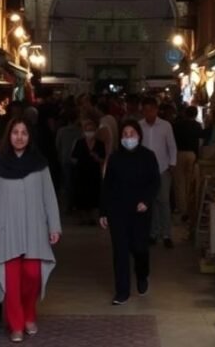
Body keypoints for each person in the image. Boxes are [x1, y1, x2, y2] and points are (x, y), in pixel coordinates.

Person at [0, 119, 62, 343]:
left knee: (32, 275)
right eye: (15, 132)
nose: (19, 137)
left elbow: (49, 197)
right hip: (7, 231)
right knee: (12, 281)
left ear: (30, 137)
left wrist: (54, 226)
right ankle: (16, 324)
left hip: (35, 230)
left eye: (24, 133)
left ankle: (29, 314)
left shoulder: (40, 164)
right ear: (9, 136)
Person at [99, 119, 161, 305]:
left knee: (139, 248)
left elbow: (155, 182)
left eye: (131, 134)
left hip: (140, 210)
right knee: (120, 251)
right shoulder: (115, 158)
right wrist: (103, 212)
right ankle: (122, 291)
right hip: (117, 210)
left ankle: (142, 275)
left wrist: (146, 200)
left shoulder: (148, 156)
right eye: (125, 134)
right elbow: (107, 186)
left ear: (138, 135)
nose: (128, 138)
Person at [140, 96, 177, 248]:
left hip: (162, 168)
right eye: (146, 110)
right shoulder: (139, 126)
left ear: (156, 110)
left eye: (151, 110)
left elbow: (172, 146)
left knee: (164, 202)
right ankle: (153, 233)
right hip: (145, 171)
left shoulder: (165, 126)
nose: (149, 113)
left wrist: (172, 164)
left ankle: (167, 234)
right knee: (151, 202)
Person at [71, 118, 106, 223]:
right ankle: (82, 217)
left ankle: (92, 217)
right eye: (87, 130)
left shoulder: (100, 144)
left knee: (93, 194)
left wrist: (97, 158)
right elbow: (73, 157)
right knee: (81, 194)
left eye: (91, 130)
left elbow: (103, 159)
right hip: (81, 172)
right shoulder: (79, 142)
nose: (89, 133)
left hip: (94, 172)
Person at [173, 106, 204, 223]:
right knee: (189, 182)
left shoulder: (177, 125)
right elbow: (200, 143)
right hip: (192, 155)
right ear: (195, 115)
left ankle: (182, 209)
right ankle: (190, 209)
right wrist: (198, 156)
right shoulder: (198, 126)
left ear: (185, 113)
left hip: (179, 154)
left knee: (179, 183)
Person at [54, 108, 82, 206]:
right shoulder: (80, 131)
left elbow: (57, 145)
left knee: (67, 183)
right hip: (77, 159)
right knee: (76, 182)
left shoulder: (61, 131)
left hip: (64, 158)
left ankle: (68, 204)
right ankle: (76, 203)